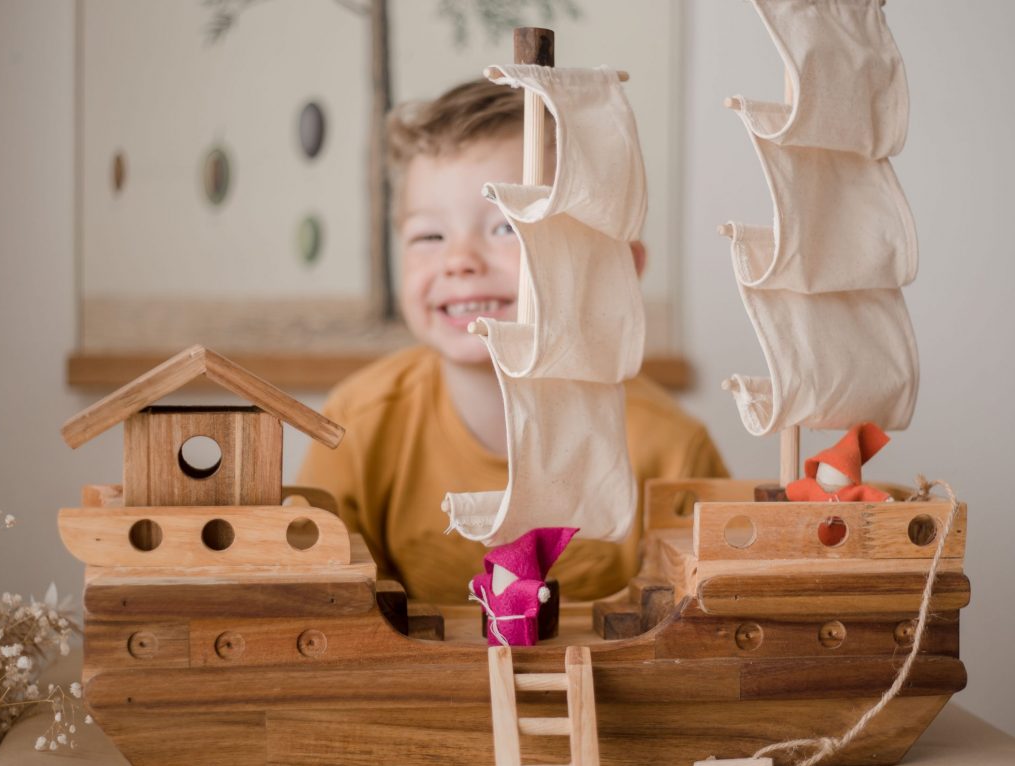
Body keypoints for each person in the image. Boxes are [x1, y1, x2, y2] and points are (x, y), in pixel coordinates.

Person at [297, 78, 727, 603]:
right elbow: (318, 599)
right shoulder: (357, 425)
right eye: (429, 236)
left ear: (613, 270)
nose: (459, 261)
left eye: (507, 227)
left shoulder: (673, 451)